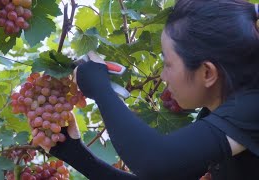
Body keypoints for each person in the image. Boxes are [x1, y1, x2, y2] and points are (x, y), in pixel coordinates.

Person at [49, 0, 259, 179]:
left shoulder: (252, 108)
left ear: (207, 73)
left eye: (168, 63)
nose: (162, 76)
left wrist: (102, 90)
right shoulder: (222, 115)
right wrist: (76, 154)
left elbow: (155, 161)